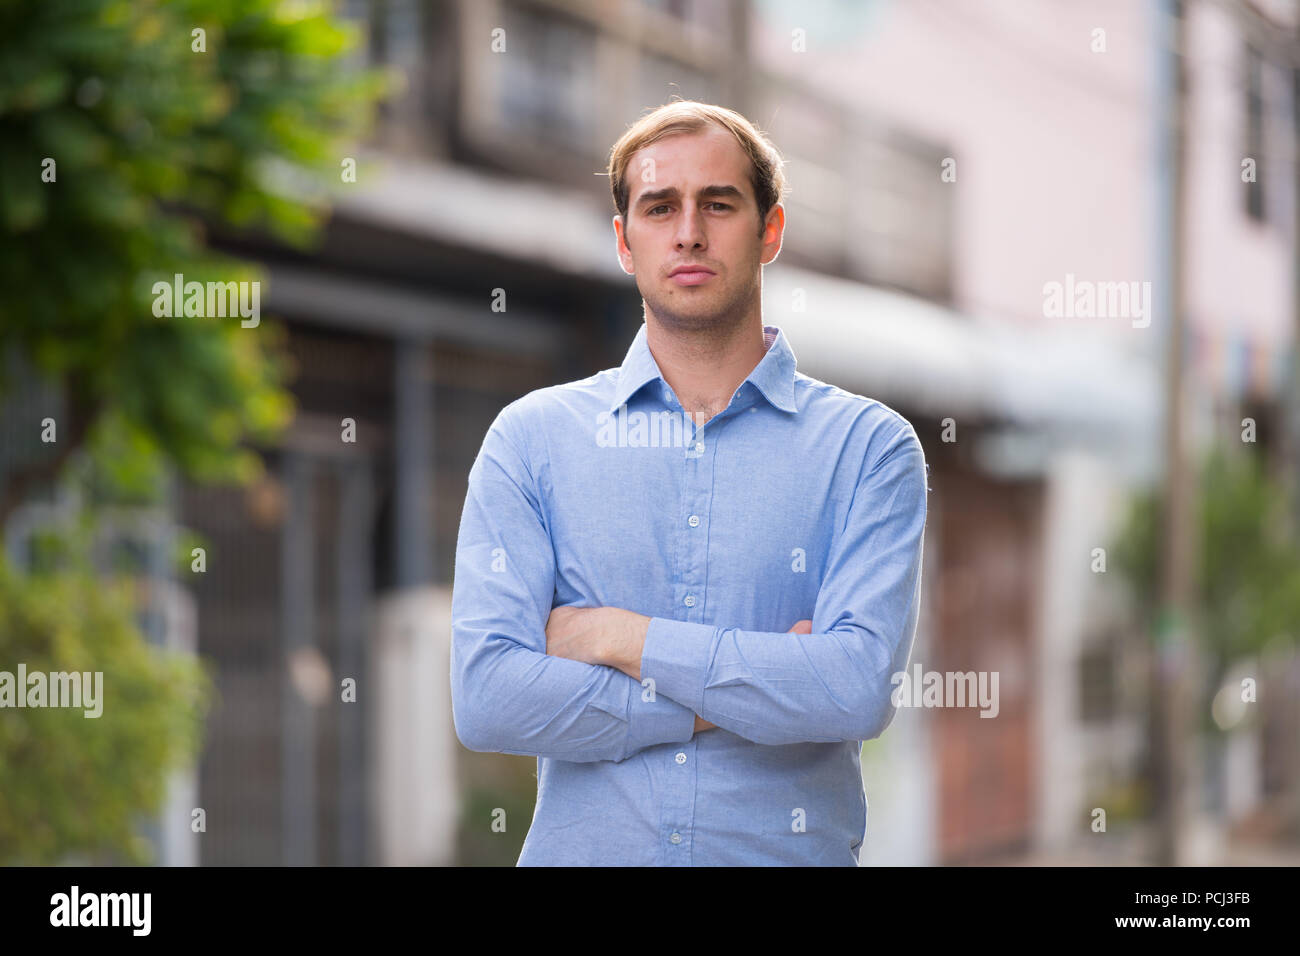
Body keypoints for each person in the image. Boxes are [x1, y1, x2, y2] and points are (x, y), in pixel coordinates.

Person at [450, 100, 929, 865]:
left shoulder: (868, 450)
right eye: (660, 206)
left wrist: (620, 637)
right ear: (624, 241)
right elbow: (489, 699)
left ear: (770, 231)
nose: (689, 233)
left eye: (719, 204)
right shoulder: (532, 442)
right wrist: (746, 692)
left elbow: (853, 688)